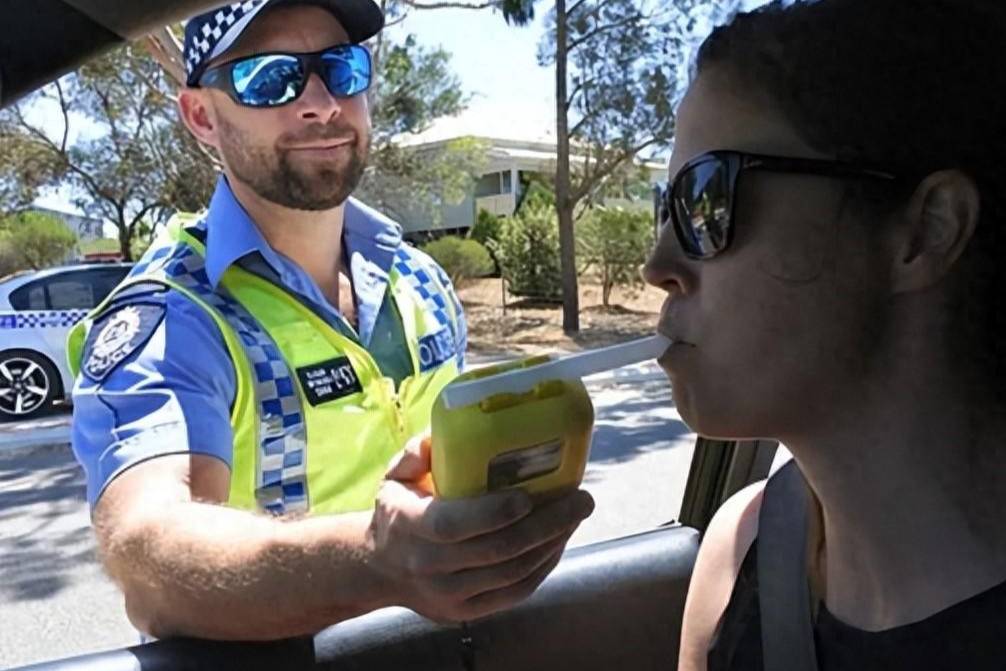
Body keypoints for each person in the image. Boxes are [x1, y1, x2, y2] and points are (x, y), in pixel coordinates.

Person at [68, 0, 593, 641]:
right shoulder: (173, 315)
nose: (321, 102)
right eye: (269, 78)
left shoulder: (419, 280)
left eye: (342, 70)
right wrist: (376, 560)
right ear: (201, 115)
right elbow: (150, 556)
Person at [642, 0, 1006, 669]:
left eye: (708, 200)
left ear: (926, 229)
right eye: (664, 210)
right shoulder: (738, 548)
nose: (658, 266)